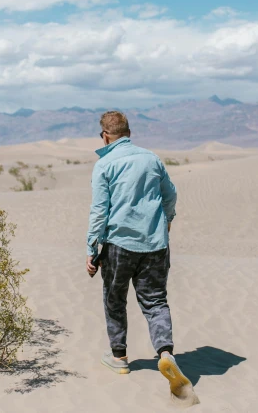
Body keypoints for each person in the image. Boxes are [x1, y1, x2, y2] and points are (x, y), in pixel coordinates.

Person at [86, 110, 194, 399]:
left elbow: (99, 211)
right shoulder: (151, 158)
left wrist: (91, 249)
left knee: (114, 299)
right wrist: (167, 219)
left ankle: (119, 358)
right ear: (129, 132)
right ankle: (166, 352)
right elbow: (170, 194)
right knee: (156, 301)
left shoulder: (105, 164)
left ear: (105, 136)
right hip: (155, 244)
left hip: (119, 245)